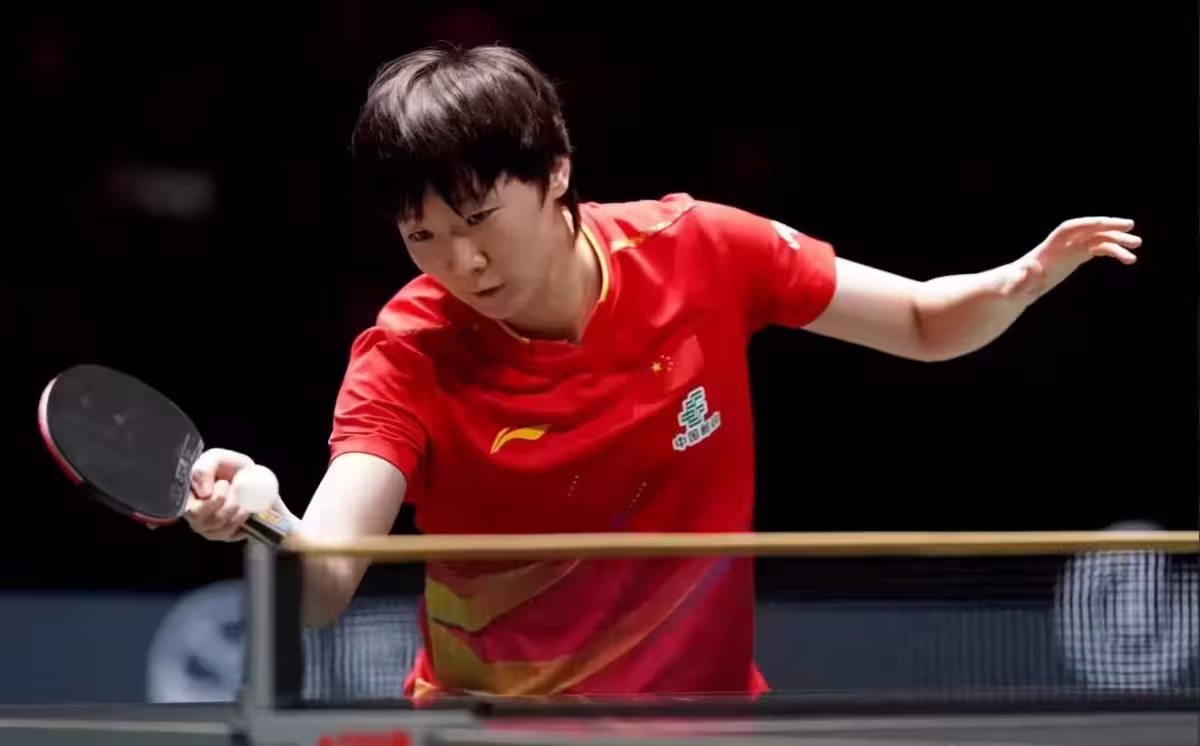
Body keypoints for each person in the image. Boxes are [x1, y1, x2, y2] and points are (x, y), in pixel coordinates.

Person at [183, 44, 1142, 701]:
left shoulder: (700, 251)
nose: (459, 262)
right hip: (493, 729)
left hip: (704, 723)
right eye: (422, 236)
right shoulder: (408, 352)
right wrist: (267, 519)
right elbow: (328, 581)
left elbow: (925, 324)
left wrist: (1014, 283)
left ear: (555, 170)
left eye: (477, 220)